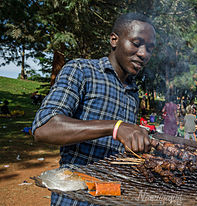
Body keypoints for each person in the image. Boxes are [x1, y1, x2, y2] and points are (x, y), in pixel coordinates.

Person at [31, 12, 156, 205]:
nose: (143, 53)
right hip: (77, 198)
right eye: (137, 43)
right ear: (114, 40)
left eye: (149, 48)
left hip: (113, 196)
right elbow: (44, 127)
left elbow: (120, 144)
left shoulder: (133, 92)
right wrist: (115, 127)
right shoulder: (81, 70)